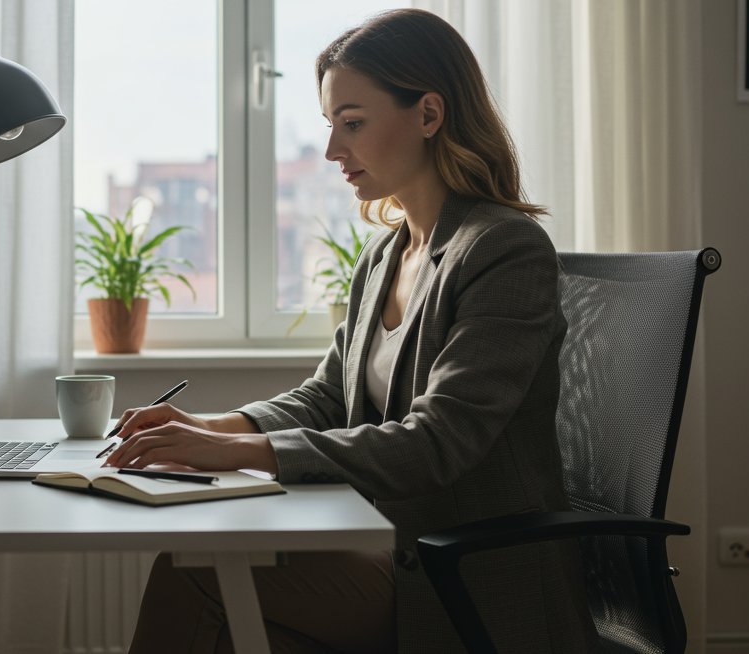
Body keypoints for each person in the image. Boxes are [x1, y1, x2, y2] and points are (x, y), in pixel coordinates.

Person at [106, 8, 597, 653]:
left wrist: (238, 454)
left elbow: (437, 444)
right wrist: (206, 427)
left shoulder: (504, 250)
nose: (334, 151)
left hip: (470, 575)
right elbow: (327, 398)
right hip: (393, 548)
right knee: (222, 611)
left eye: (353, 124)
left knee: (197, 578)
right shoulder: (385, 255)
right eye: (331, 126)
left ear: (428, 114)